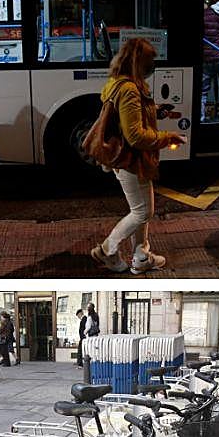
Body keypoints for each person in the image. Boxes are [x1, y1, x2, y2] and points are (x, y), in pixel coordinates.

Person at [89, 37, 184, 275]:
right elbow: (135, 136)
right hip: (131, 160)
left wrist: (156, 111)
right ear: (138, 61)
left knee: (142, 210)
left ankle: (141, 257)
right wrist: (167, 137)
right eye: (150, 59)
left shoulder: (118, 82)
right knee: (142, 212)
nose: (153, 64)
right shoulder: (129, 89)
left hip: (129, 160)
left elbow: (128, 117)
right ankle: (107, 250)